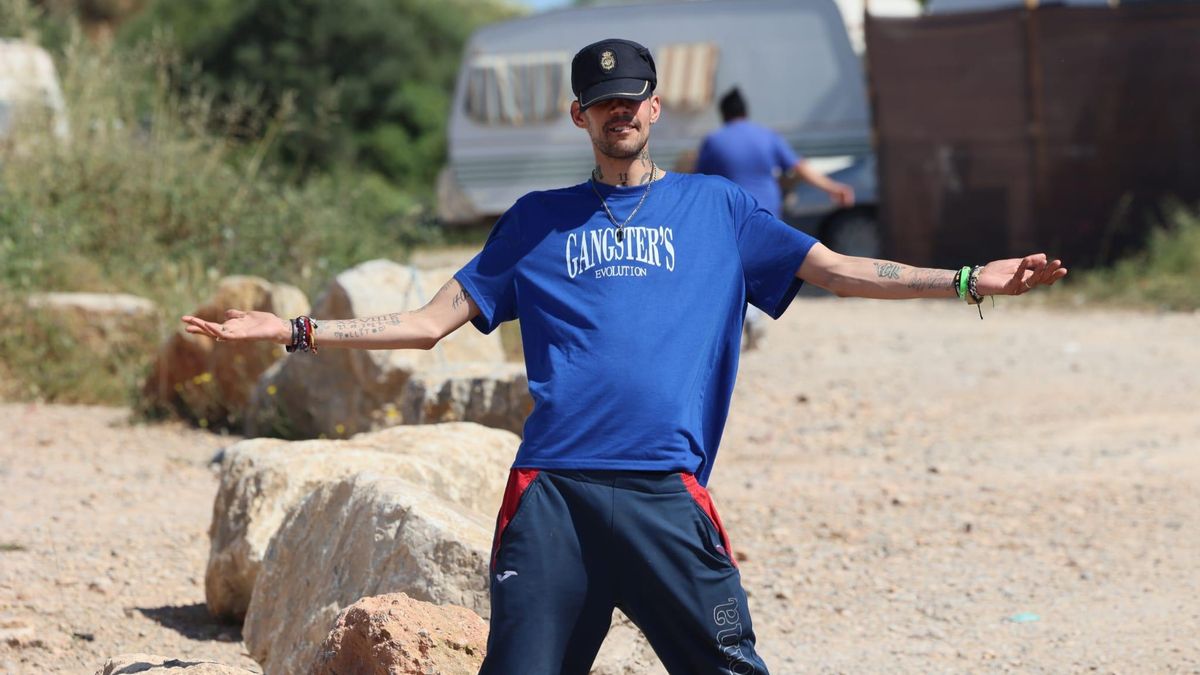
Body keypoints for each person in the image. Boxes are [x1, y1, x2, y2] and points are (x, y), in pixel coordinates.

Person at [183, 38, 1067, 675]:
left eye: (633, 98)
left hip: (662, 494)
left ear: (654, 107)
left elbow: (839, 269)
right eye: (603, 102)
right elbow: (426, 323)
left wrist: (967, 280)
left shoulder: (720, 210)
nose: (620, 112)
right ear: (581, 115)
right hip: (553, 496)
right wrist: (294, 331)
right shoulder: (535, 221)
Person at [696, 86, 856, 349]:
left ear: (723, 114)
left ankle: (749, 318)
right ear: (746, 111)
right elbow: (800, 167)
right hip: (767, 214)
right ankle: (755, 318)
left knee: (737, 270)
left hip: (732, 216)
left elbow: (699, 181)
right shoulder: (768, 136)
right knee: (760, 268)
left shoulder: (714, 141)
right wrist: (832, 188)